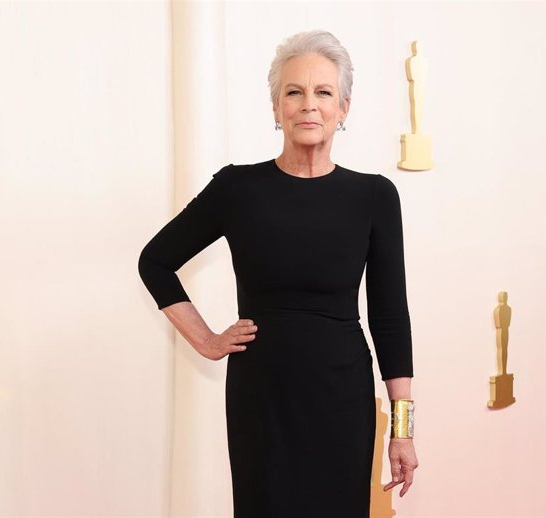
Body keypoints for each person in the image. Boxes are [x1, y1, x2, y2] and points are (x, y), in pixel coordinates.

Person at [138, 29, 418, 518]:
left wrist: (403, 427)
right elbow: (155, 262)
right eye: (294, 92)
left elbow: (390, 319)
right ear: (275, 108)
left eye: (323, 92)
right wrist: (205, 339)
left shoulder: (374, 197)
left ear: (344, 108)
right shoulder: (236, 189)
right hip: (261, 400)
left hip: (342, 400)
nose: (309, 105)